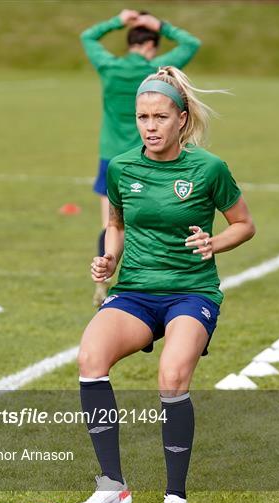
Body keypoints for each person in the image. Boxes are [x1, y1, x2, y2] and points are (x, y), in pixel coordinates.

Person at [72, 66, 255, 503]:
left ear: (182, 119)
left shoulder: (209, 169)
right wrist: (109, 260)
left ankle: (176, 497)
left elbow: (244, 225)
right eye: (142, 117)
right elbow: (115, 224)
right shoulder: (121, 166)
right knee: (90, 358)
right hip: (135, 290)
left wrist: (215, 243)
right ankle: (112, 487)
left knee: (171, 377)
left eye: (159, 117)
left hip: (191, 292)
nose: (149, 127)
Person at [80, 10, 201, 306]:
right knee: (146, 221)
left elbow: (87, 36)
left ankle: (103, 281)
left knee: (112, 224)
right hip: (147, 157)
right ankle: (156, 285)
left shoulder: (108, 66)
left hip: (110, 157)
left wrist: (118, 20)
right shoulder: (155, 74)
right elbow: (191, 43)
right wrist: (159, 24)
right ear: (150, 45)